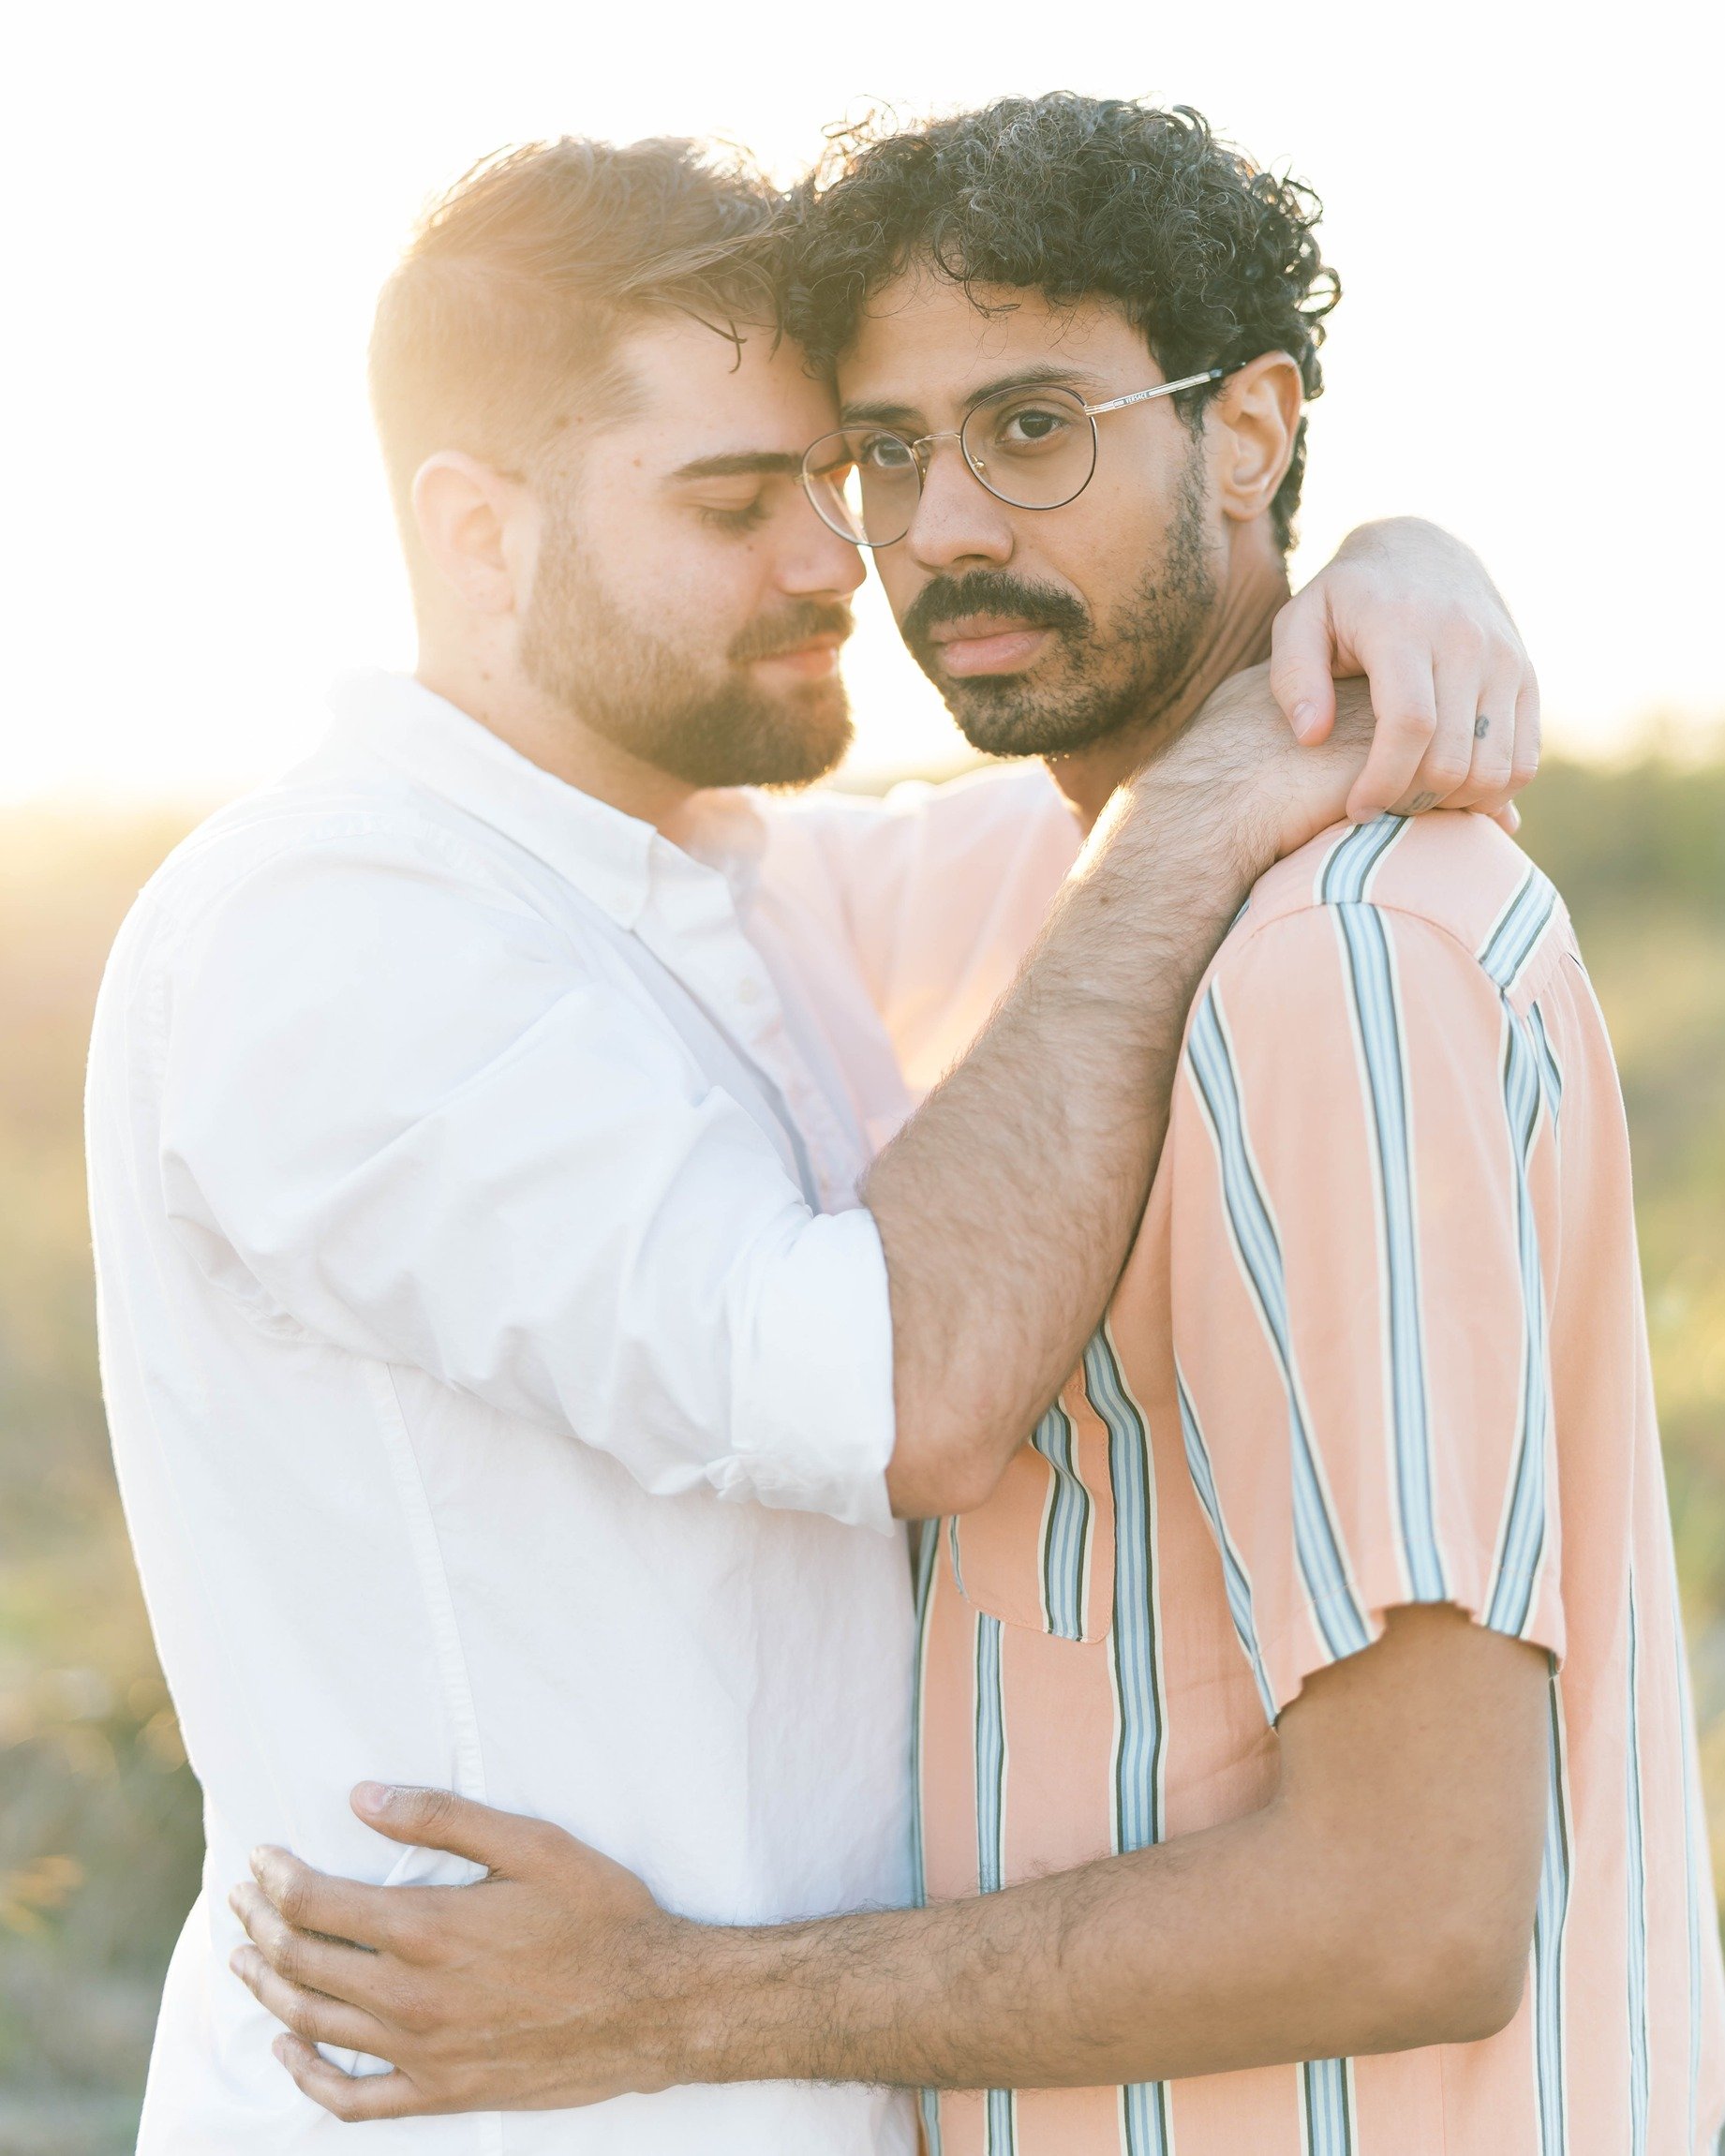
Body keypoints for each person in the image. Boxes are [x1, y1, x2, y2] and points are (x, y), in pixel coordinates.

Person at [231, 100, 1725, 2154]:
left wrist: (665, 2003)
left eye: (1032, 426)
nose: (923, 534)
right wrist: (1380, 581)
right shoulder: (1086, 899)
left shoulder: (1334, 962)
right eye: (884, 451)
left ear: (1251, 427)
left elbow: (1413, 1904)